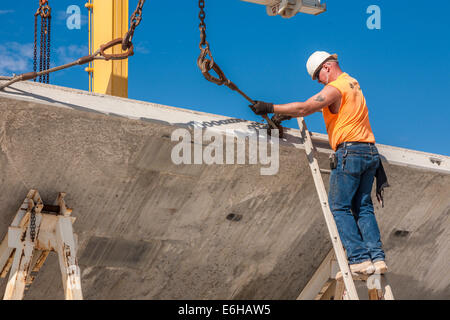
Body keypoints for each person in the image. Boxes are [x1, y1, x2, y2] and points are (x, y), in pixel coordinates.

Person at [250, 51, 388, 276]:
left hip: (350, 152)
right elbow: (333, 111)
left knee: (339, 206)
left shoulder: (335, 87)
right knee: (363, 207)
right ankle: (377, 258)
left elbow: (305, 108)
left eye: (317, 76)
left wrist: (270, 107)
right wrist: (286, 115)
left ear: (327, 67)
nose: (318, 81)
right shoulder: (354, 83)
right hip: (369, 152)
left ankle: (360, 259)